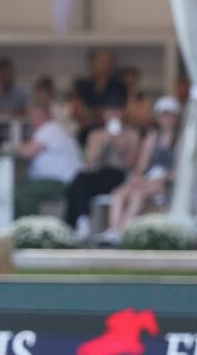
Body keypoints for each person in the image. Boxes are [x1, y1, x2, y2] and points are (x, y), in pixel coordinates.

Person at [103, 96, 181, 242]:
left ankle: (121, 231)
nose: (166, 118)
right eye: (163, 114)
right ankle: (114, 230)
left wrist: (161, 178)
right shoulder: (152, 137)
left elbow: (181, 171)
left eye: (169, 114)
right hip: (149, 178)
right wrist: (138, 177)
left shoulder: (181, 139)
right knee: (119, 193)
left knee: (137, 195)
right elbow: (141, 166)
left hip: (166, 182)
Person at [63, 104, 139, 236]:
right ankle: (82, 220)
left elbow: (131, 165)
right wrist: (101, 144)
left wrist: (121, 146)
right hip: (98, 174)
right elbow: (89, 163)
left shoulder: (131, 134)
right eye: (110, 112)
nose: (113, 116)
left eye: (117, 112)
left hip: (118, 176)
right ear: (104, 114)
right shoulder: (95, 134)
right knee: (79, 180)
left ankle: (72, 226)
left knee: (81, 184)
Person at [14, 94, 81, 217]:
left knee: (24, 193)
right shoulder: (49, 130)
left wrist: (16, 147)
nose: (32, 119)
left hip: (63, 182)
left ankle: (30, 230)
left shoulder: (50, 129)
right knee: (18, 189)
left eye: (35, 115)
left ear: (43, 114)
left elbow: (26, 152)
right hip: (58, 180)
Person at [71, 48, 126, 145]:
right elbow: (76, 111)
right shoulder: (83, 85)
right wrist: (96, 113)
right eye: (101, 62)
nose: (104, 66)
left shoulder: (119, 86)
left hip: (112, 133)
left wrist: (94, 112)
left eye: (107, 62)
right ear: (93, 63)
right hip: (86, 132)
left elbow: (124, 111)